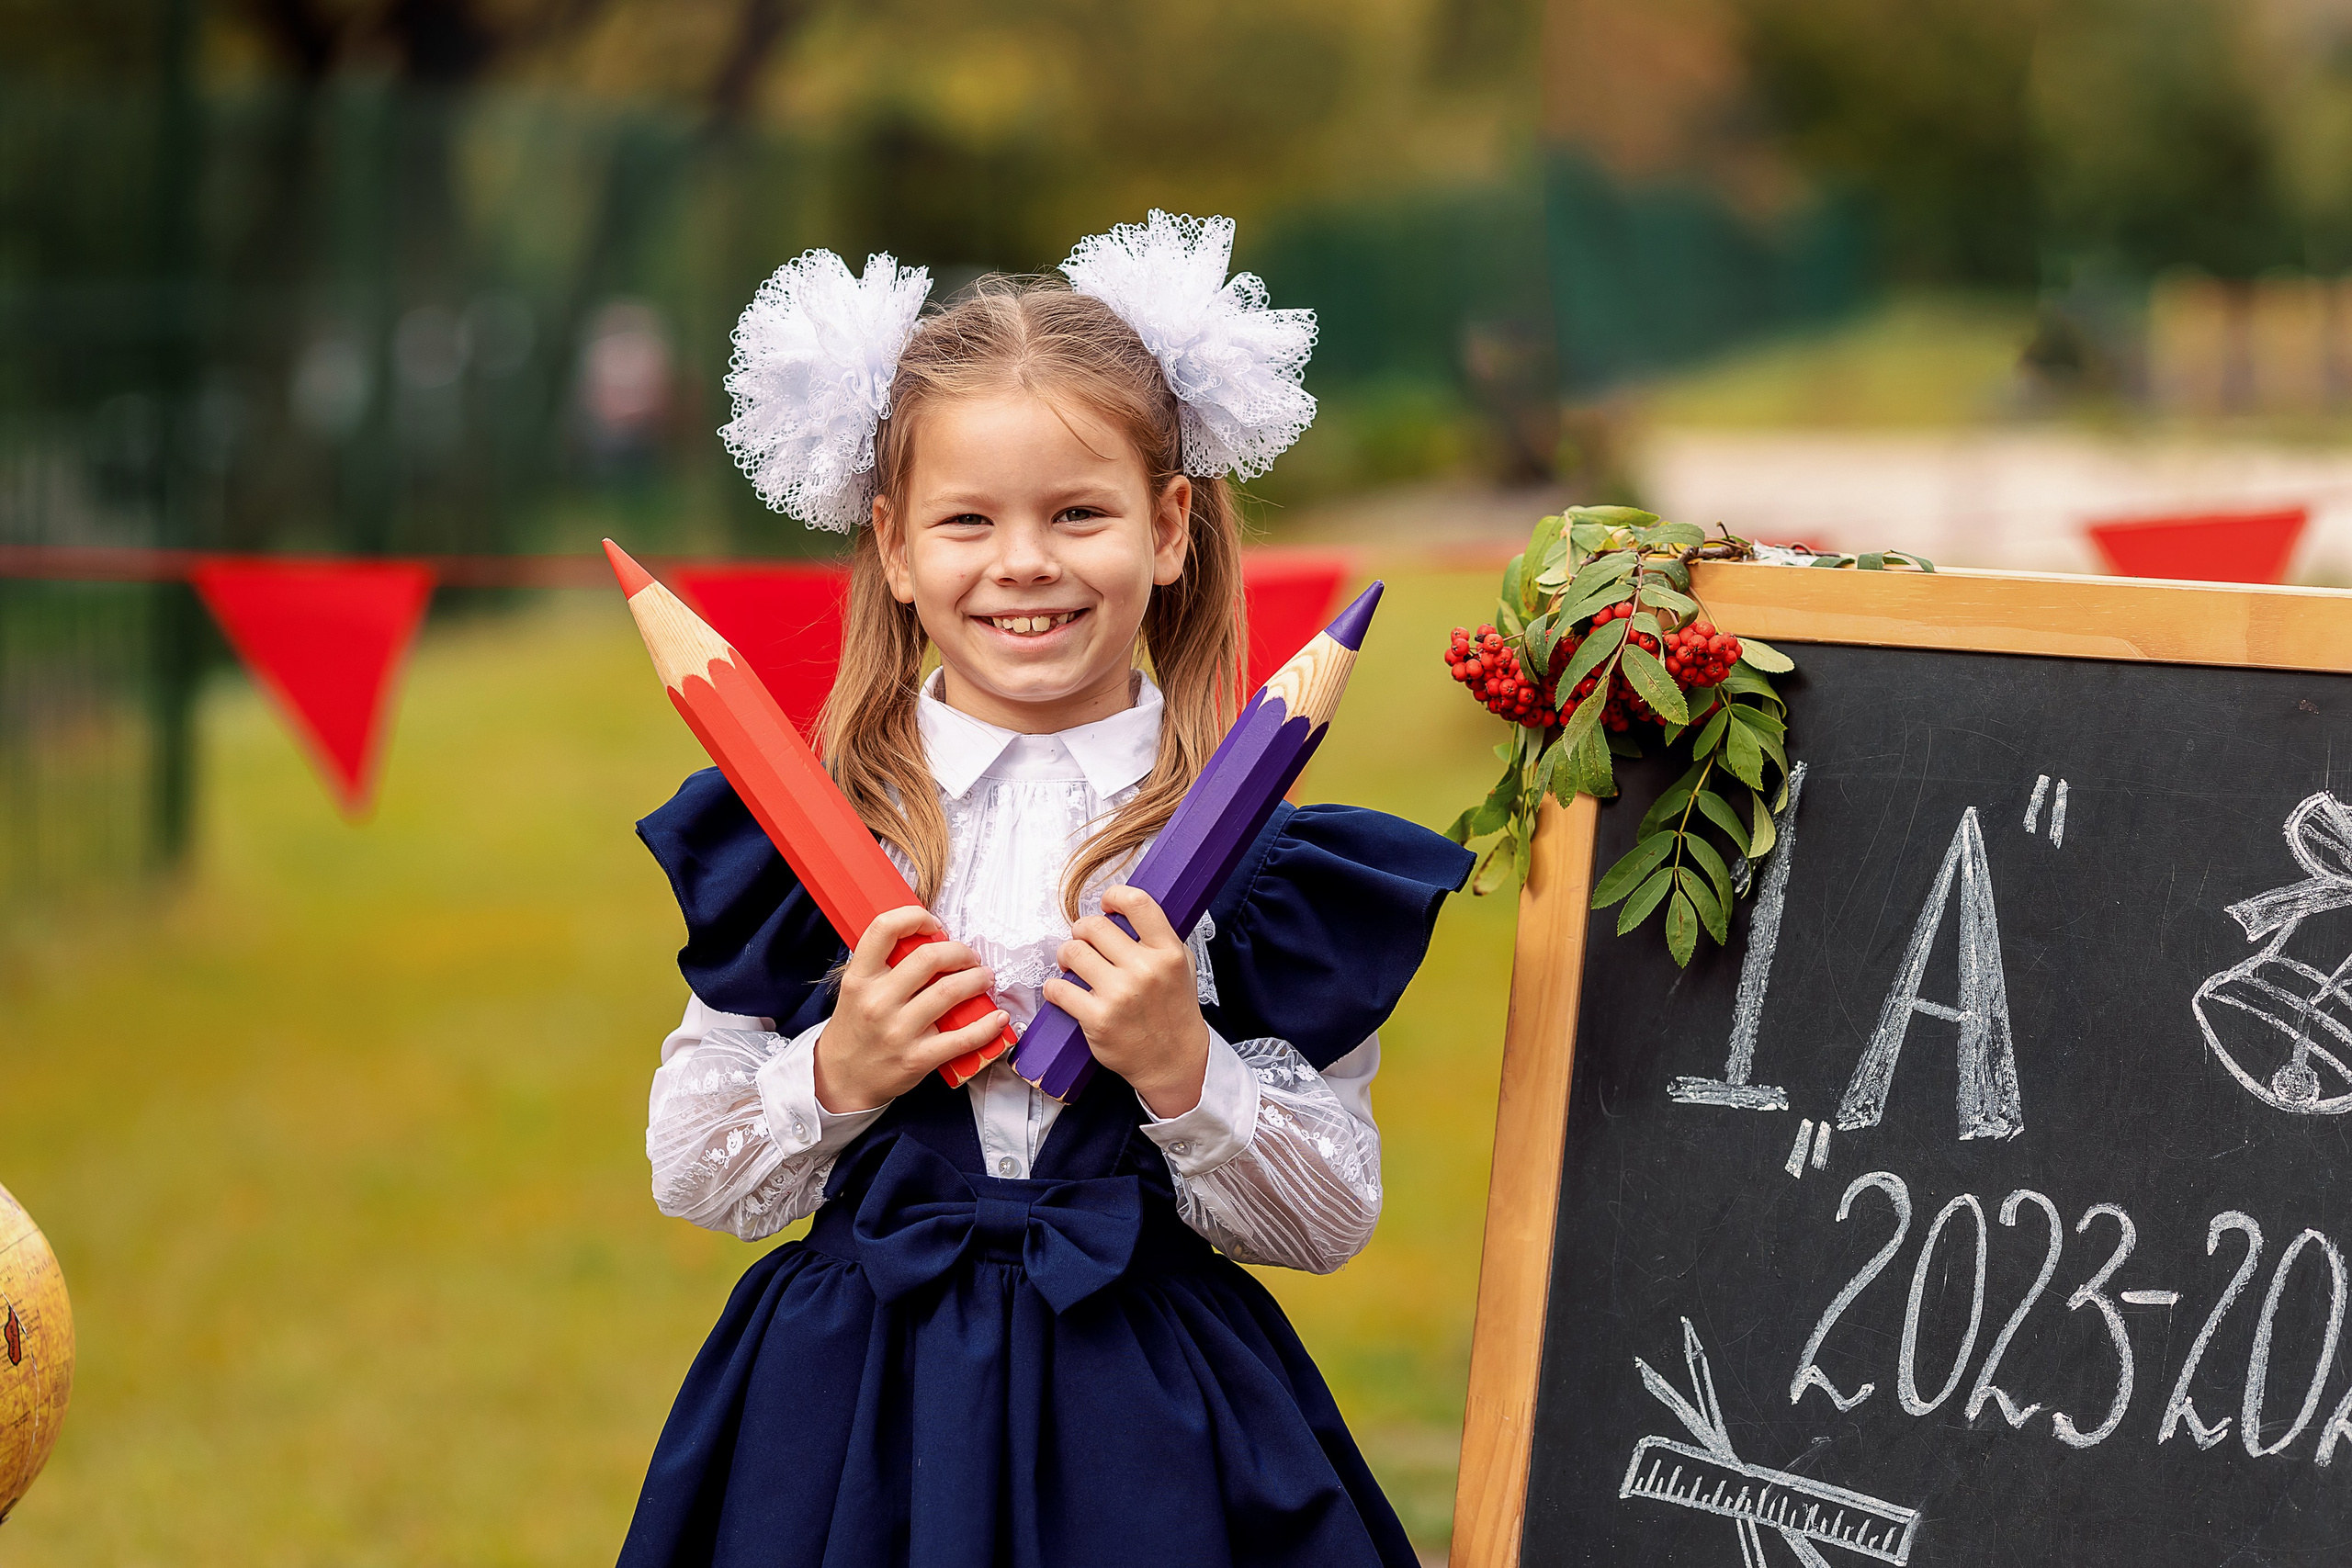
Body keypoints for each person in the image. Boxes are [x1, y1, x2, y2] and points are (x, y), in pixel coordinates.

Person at [620, 210, 1474, 1568]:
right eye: (969, 521)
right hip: (853, 1412)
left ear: (1171, 527)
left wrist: (1184, 1067)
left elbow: (1328, 1217)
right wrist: (839, 1067)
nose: (1024, 563)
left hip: (1146, 1408)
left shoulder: (1258, 863)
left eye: (1079, 513)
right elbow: (692, 1169)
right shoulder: (814, 834)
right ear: (897, 550)